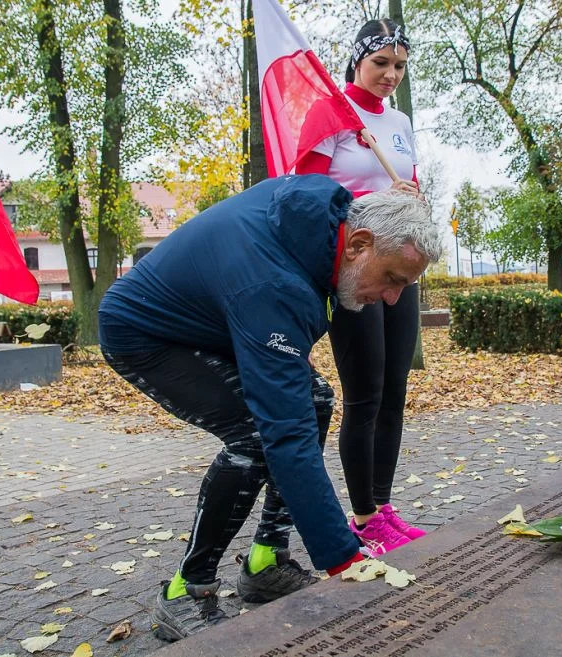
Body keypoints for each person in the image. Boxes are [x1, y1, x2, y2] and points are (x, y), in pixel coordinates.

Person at [98, 174, 441, 641]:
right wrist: (344, 559)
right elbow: (286, 435)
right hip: (146, 335)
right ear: (358, 245)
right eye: (393, 280)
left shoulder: (329, 213)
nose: (392, 298)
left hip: (216, 322)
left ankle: (265, 561)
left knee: (316, 401)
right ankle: (186, 589)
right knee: (256, 435)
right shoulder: (274, 286)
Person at [294, 18, 425, 556]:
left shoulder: (399, 122)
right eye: (380, 63)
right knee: (365, 394)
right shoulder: (330, 113)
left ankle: (384, 505)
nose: (390, 74)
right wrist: (368, 204)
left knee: (396, 389)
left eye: (398, 66)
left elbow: (411, 186)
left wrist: (410, 196)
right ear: (357, 61)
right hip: (354, 269)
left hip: (399, 268)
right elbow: (307, 192)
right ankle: (364, 516)